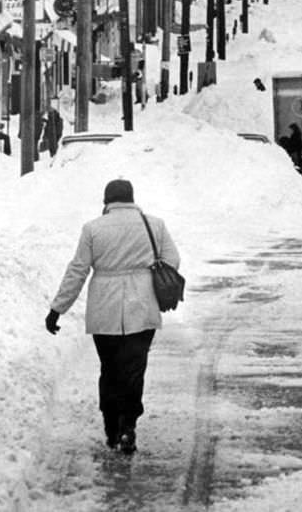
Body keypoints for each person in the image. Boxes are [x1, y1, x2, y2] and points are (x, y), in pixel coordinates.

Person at [45, 179, 180, 454]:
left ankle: (111, 427)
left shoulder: (93, 229)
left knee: (110, 369)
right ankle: (128, 424)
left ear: (107, 201)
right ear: (132, 198)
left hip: (104, 308)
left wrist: (57, 309)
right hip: (142, 306)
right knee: (134, 368)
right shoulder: (154, 225)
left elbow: (78, 271)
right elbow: (172, 260)